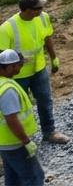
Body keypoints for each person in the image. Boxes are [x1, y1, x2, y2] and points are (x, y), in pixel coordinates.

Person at [0, 0, 67, 145]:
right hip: (17, 76)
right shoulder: (7, 28)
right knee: (16, 108)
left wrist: (53, 58)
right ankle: (20, 140)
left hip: (39, 68)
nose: (42, 10)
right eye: (38, 8)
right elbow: (2, 56)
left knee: (45, 99)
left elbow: (47, 38)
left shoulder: (43, 18)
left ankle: (49, 132)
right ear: (28, 10)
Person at [0, 49, 42, 186]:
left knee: (13, 179)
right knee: (34, 177)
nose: (21, 68)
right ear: (11, 66)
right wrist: (26, 141)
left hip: (4, 143)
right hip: (14, 143)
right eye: (19, 65)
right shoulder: (8, 90)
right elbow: (11, 119)